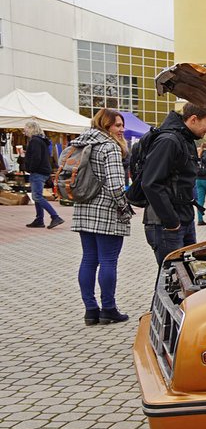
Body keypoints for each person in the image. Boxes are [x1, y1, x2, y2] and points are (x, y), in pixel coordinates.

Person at [70, 109, 135, 325]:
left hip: (83, 207)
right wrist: (125, 207)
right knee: (108, 261)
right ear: (105, 126)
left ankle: (90, 310)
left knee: (88, 259)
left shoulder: (80, 143)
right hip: (106, 210)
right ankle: (108, 308)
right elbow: (116, 185)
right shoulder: (110, 147)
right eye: (117, 125)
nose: (122, 129)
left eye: (121, 125)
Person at [140, 103, 206, 265]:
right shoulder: (169, 141)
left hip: (183, 219)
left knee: (187, 275)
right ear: (194, 119)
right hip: (166, 224)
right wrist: (172, 221)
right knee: (171, 279)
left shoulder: (185, 140)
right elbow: (150, 183)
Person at [23, 121, 64, 229]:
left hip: (38, 171)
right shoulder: (41, 140)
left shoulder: (35, 141)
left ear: (31, 128)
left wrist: (30, 169)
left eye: (26, 128)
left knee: (37, 196)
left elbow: (36, 157)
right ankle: (39, 219)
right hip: (43, 171)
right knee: (37, 196)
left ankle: (55, 216)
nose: (24, 130)